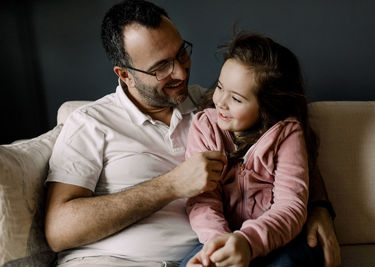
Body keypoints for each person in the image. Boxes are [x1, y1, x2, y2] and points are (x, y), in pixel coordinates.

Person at [44, 0, 340, 266]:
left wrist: (319, 206)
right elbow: (58, 231)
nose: (182, 73)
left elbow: (285, 141)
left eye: (181, 53)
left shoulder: (211, 105)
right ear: (125, 74)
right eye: (161, 67)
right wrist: (170, 186)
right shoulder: (91, 123)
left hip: (215, 254)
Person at [181, 32, 322, 267]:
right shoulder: (205, 127)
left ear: (266, 107)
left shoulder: (287, 134)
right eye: (219, 87)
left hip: (280, 238)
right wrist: (219, 243)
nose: (221, 101)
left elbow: (291, 207)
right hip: (221, 235)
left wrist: (247, 242)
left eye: (236, 99)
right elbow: (202, 200)